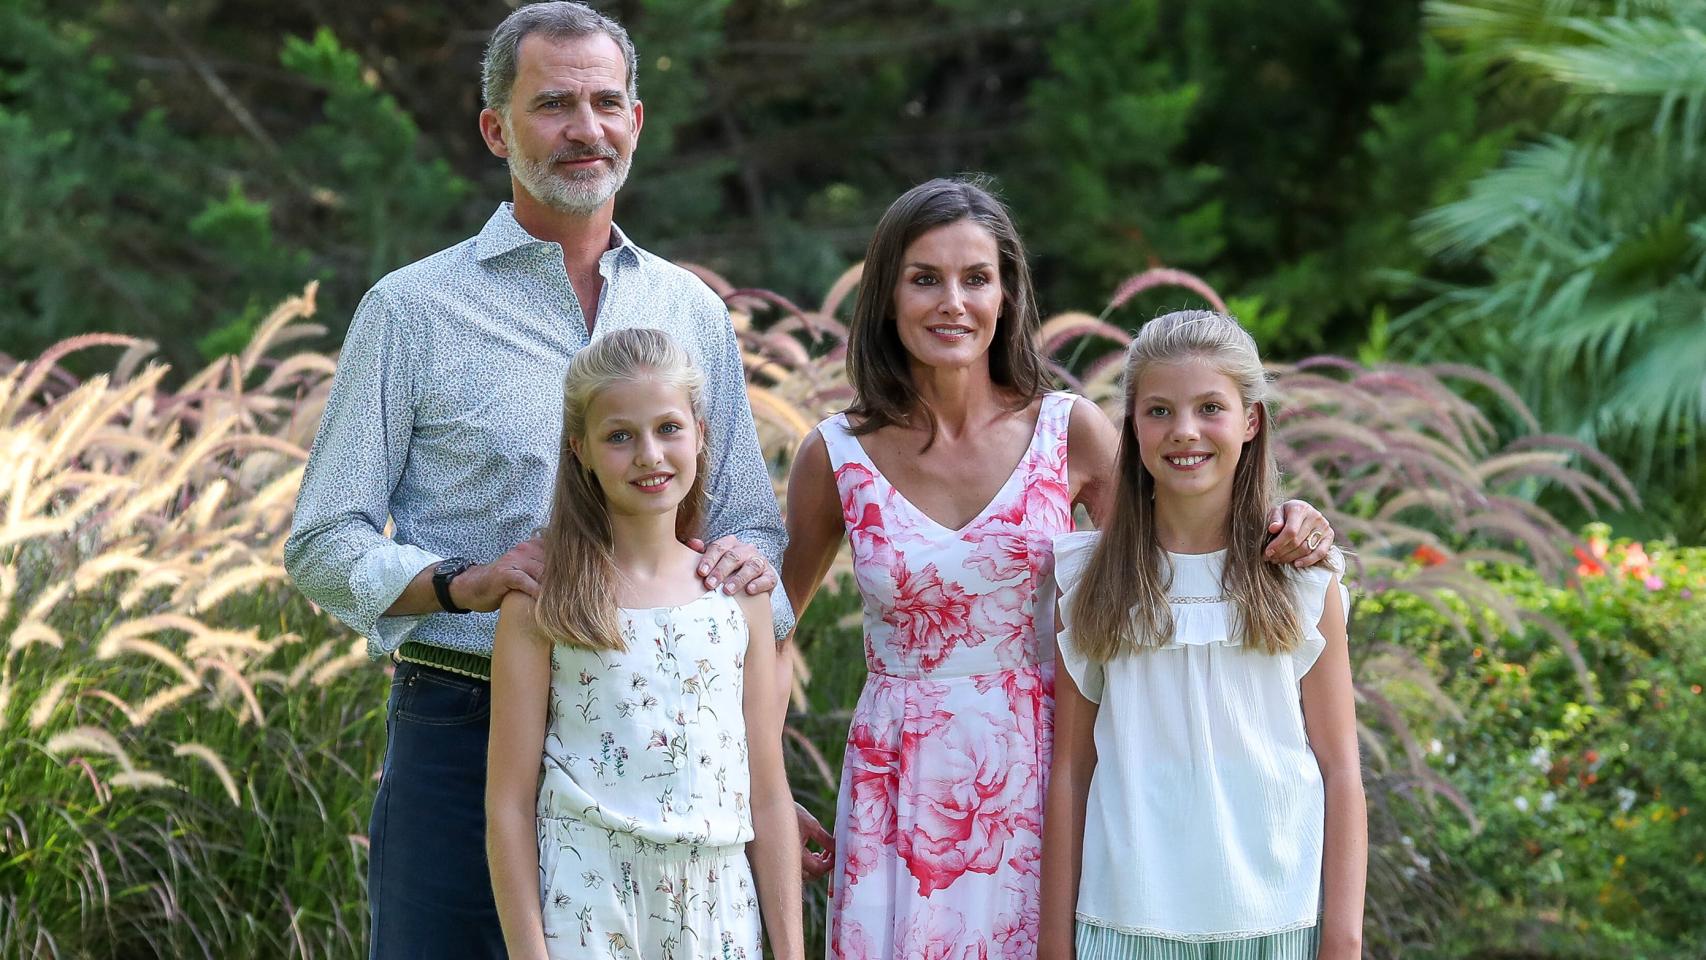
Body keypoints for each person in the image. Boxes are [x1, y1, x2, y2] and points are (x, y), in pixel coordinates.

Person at [282, 5, 793, 956]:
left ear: (636, 121)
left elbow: (750, 531)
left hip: (664, 738)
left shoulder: (690, 309)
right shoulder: (412, 310)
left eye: (605, 103)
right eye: (553, 103)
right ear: (496, 129)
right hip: (464, 724)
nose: (585, 128)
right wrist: (458, 583)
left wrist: (738, 738)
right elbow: (321, 541)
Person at [781, 179, 1337, 958]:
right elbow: (767, 634)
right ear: (885, 295)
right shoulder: (834, 455)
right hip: (898, 788)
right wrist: (764, 789)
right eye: (924, 278)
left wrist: (1285, 521)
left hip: (1053, 777)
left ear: (1007, 294)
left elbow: (1178, 556)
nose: (953, 302)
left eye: (977, 278)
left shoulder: (1066, 430)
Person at [1039, 310, 1367, 960]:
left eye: (1209, 407)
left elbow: (1340, 767)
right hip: (1124, 920)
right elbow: (1072, 771)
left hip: (1276, 922)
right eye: (1159, 410)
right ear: (1132, 425)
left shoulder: (1302, 578)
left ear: (1251, 421)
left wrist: (1343, 940)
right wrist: (1055, 944)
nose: (1184, 431)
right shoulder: (1085, 579)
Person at [485, 328, 803, 960]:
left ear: (701, 433)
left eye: (668, 428)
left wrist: (790, 950)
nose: (649, 455)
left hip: (716, 903)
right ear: (581, 450)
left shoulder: (739, 597)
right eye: (620, 436)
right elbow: (508, 805)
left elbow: (767, 789)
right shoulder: (543, 604)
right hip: (588, 900)